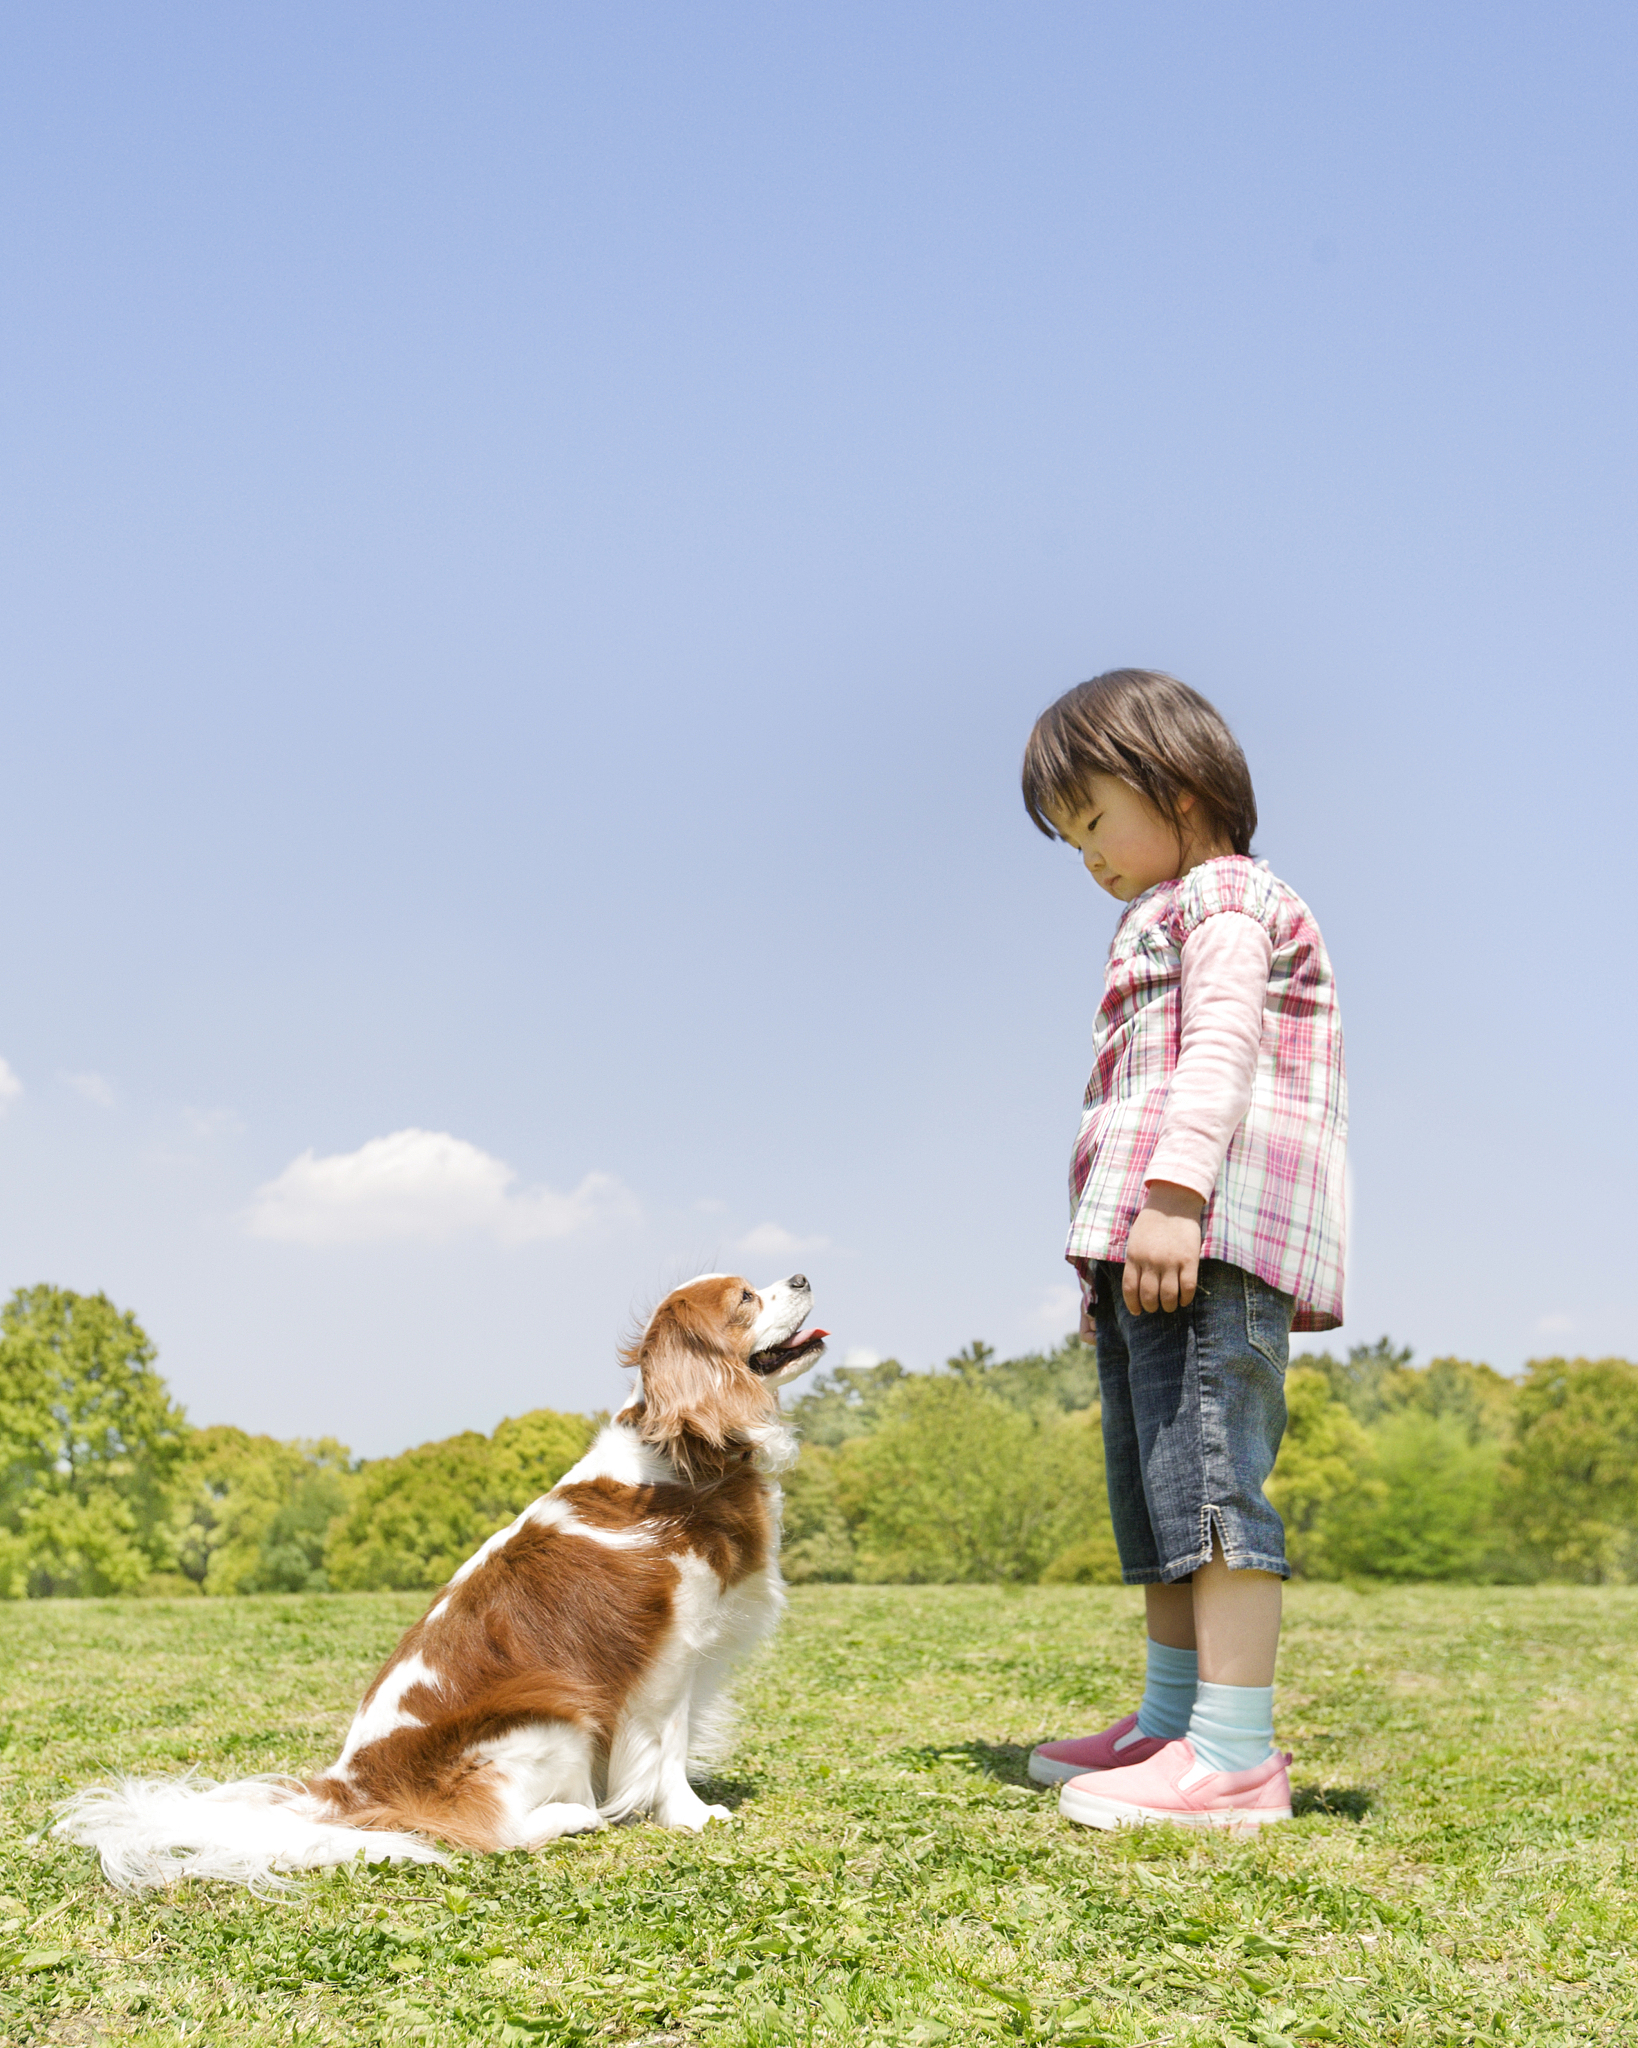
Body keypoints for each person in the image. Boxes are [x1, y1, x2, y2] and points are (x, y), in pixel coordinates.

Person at [1020, 669, 1346, 1829]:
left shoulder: (1226, 899)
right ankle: (1169, 1722)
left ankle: (1237, 1754)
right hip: (1150, 1245)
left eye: (1095, 819)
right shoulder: (1159, 911)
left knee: (1212, 1488)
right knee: (1160, 1492)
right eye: (1071, 842)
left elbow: (1219, 1048)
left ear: (1180, 783)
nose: (1090, 857)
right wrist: (1113, 1252)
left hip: (1205, 1230)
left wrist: (1170, 1195)